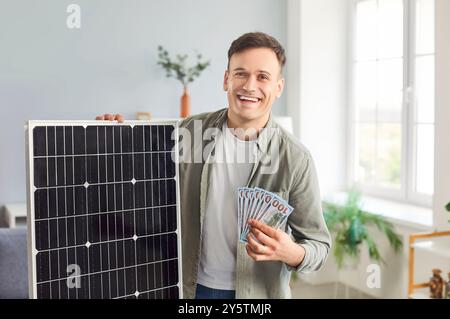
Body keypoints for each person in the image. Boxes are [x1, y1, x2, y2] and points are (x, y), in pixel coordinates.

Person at [96, 32, 331, 299]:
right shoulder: (188, 134)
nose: (249, 86)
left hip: (257, 296)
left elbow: (319, 245)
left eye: (262, 76)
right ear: (226, 80)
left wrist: (293, 253)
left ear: (278, 87)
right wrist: (113, 133)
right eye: (240, 73)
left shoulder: (296, 159)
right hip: (192, 289)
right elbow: (136, 172)